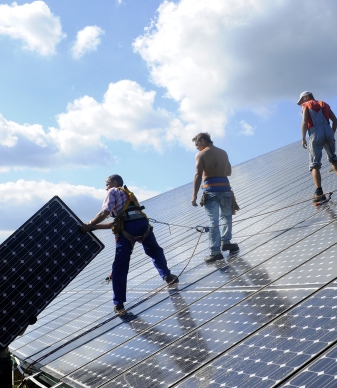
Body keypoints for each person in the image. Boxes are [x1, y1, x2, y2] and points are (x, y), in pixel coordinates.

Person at [82, 174, 178, 314]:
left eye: (107, 184)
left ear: (114, 182)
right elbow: (118, 222)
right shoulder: (129, 196)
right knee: (155, 250)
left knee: (120, 265)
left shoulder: (113, 191)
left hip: (128, 228)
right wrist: (95, 227)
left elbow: (105, 212)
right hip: (143, 225)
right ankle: (167, 275)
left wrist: (90, 224)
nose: (105, 188)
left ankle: (119, 304)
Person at [191, 133, 239, 262]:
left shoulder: (201, 155)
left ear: (202, 140)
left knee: (213, 222)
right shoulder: (223, 152)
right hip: (226, 189)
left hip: (211, 191)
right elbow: (228, 172)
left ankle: (215, 251)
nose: (197, 148)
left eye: (197, 144)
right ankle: (226, 242)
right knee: (226, 217)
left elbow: (198, 175)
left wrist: (194, 195)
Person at [297, 91, 337, 203]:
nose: (302, 102)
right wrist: (331, 133)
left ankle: (319, 192)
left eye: (302, 100)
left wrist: (303, 138)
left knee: (314, 164)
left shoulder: (306, 105)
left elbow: (305, 122)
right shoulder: (324, 104)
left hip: (315, 133)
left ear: (306, 97)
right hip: (328, 131)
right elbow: (335, 121)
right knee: (333, 157)